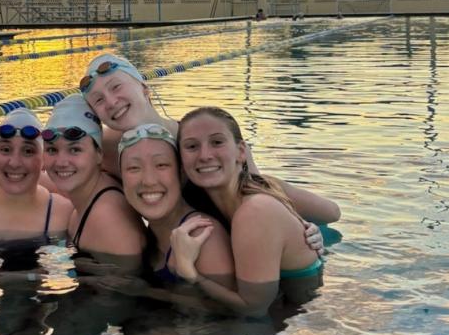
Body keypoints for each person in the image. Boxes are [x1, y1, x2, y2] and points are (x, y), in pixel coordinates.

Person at [79, 53, 341, 226]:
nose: (111, 103)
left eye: (116, 87)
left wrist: (298, 226)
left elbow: (258, 195)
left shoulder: (202, 139)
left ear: (145, 89)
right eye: (99, 100)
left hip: (237, 228)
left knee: (328, 213)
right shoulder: (104, 149)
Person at [172, 107, 323, 316]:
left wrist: (191, 274)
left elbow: (254, 308)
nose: (204, 155)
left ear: (241, 151)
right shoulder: (210, 203)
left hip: (302, 316)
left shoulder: (254, 211)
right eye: (191, 146)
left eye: (217, 142)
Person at [117, 123, 235, 287]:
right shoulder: (153, 233)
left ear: (181, 173)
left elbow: (223, 311)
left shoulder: (203, 236)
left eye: (161, 165)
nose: (149, 181)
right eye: (134, 168)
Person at [41, 94, 146, 267]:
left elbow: (125, 288)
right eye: (52, 150)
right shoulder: (94, 191)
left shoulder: (106, 219)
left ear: (99, 154)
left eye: (74, 150)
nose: (61, 162)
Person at [0, 109, 73, 242]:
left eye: (28, 151)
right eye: (5, 150)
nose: (14, 163)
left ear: (44, 160)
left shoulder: (65, 214)